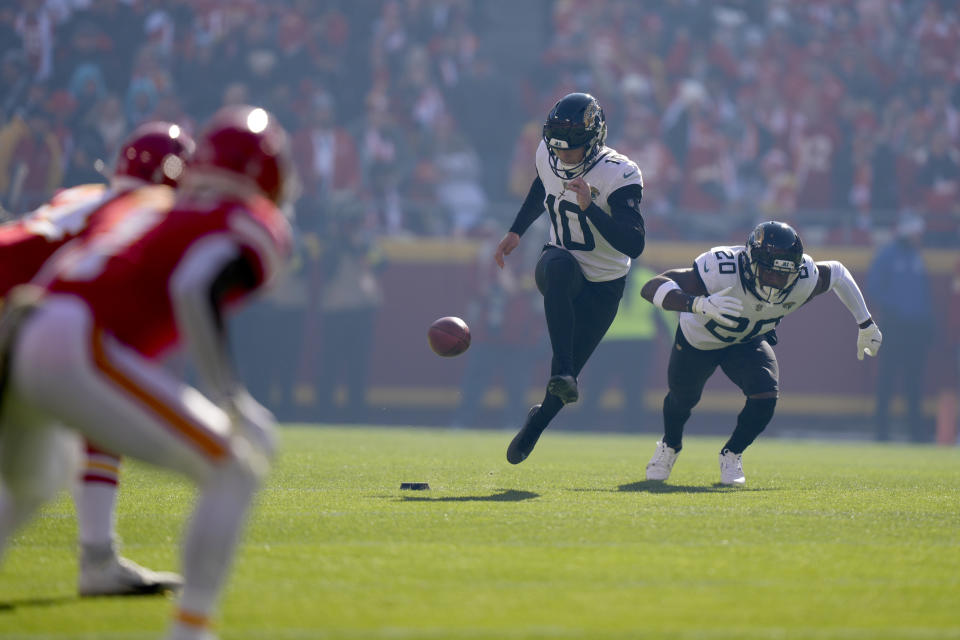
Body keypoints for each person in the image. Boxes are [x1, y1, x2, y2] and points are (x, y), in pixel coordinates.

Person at [0, 105, 293, 640]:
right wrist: (231, 398)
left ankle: (102, 562)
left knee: (33, 481)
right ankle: (190, 632)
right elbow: (192, 286)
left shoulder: (137, 204)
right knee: (233, 467)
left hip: (26, 323)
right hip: (73, 338)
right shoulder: (246, 219)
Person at [0, 120, 194, 596]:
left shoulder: (82, 194)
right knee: (44, 461)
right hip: (17, 316)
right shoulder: (142, 211)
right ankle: (98, 561)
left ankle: (99, 560)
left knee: (39, 462)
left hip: (17, 313)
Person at [639, 221, 882, 485]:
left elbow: (838, 273)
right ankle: (670, 446)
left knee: (766, 396)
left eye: (784, 274)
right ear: (750, 263)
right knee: (681, 400)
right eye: (769, 272)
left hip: (747, 341)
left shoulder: (805, 278)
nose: (777, 281)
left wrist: (865, 322)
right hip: (699, 341)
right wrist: (697, 304)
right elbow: (651, 286)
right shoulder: (722, 268)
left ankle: (732, 454)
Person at [494, 92, 646, 464]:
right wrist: (517, 230)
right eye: (557, 148)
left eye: (572, 149)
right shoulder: (548, 154)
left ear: (594, 142)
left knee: (564, 386)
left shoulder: (620, 173)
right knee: (559, 270)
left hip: (605, 282)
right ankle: (561, 369)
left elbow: (634, 243)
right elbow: (541, 185)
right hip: (560, 259)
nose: (563, 156)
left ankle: (538, 421)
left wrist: (590, 208)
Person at [866, 215, 935, 442]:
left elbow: (922, 294)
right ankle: (881, 432)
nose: (919, 237)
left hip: (915, 328)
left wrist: (926, 321)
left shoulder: (917, 257)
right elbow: (873, 286)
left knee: (914, 381)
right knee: (887, 379)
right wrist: (893, 308)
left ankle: (916, 433)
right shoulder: (888, 255)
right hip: (894, 326)